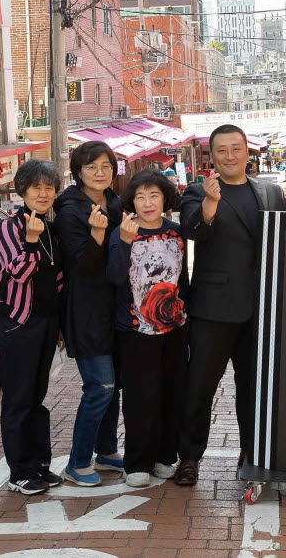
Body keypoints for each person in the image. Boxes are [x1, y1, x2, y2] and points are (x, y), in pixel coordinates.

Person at [175, 124, 286, 486]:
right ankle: (189, 458)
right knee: (199, 387)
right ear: (212, 155)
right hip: (212, 309)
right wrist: (210, 203)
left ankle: (251, 453)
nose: (229, 156)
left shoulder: (269, 192)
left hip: (260, 309)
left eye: (235, 149)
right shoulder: (197, 191)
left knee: (253, 388)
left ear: (247, 151)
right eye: (221, 150)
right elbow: (193, 231)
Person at [108, 170, 189, 488]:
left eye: (154, 195)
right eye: (140, 197)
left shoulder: (176, 232)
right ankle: (137, 463)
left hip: (174, 327)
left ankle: (165, 457)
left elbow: (182, 279)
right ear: (132, 202)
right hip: (134, 330)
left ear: (165, 199)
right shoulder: (123, 232)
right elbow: (114, 278)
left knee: (172, 393)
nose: (147, 202)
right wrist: (126, 243)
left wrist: (188, 317)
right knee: (141, 397)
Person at [0, 159, 64, 495]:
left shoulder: (50, 225)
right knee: (18, 399)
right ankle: (19, 472)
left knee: (37, 397)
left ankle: (39, 465)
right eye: (37, 187)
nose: (43, 193)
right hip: (17, 325)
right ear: (23, 190)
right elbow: (19, 272)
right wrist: (31, 241)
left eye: (49, 187)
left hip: (46, 323)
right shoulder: (10, 227)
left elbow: (57, 278)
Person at [54, 141, 125, 486]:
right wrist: (98, 233)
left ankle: (107, 451)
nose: (100, 173)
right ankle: (78, 461)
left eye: (106, 166)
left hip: (116, 306)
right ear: (78, 172)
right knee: (101, 386)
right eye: (91, 166)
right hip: (84, 307)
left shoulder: (115, 202)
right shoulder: (68, 210)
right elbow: (81, 266)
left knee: (115, 385)